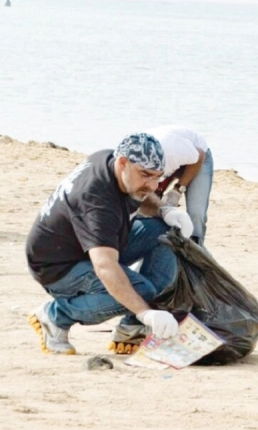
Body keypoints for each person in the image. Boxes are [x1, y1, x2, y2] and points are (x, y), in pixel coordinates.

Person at [24, 133, 194, 355]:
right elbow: (105, 266)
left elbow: (141, 194)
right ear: (123, 163)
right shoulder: (96, 202)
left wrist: (165, 210)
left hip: (91, 243)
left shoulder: (108, 159)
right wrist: (144, 312)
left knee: (166, 231)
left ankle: (131, 327)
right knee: (140, 290)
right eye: (145, 175)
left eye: (157, 177)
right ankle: (55, 316)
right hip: (57, 265)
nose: (152, 185)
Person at [145, 125, 215, 246]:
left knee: (196, 213)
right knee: (152, 204)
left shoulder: (173, 152)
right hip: (167, 159)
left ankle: (196, 246)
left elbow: (200, 156)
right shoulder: (135, 158)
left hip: (198, 158)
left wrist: (178, 189)